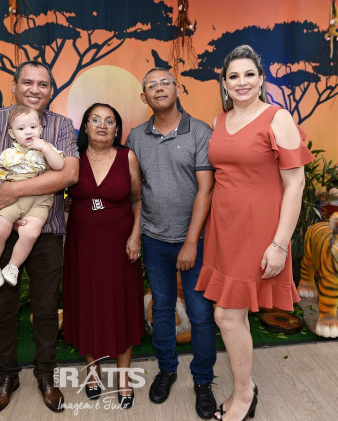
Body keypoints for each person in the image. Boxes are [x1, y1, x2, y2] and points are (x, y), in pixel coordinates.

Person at [195, 45, 315, 421]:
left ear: (261, 79)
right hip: (223, 230)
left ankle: (244, 395)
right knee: (234, 314)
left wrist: (280, 244)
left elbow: (295, 184)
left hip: (257, 232)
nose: (242, 82)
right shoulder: (219, 120)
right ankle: (245, 387)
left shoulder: (277, 118)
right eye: (233, 76)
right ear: (224, 83)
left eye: (249, 74)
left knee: (226, 317)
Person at [0, 60, 79, 414]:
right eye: (28, 82)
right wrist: (0, 209)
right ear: (14, 85)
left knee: (45, 309)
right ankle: (7, 376)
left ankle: (46, 376)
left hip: (46, 228)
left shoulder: (61, 125)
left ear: (51, 90)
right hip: (2, 229)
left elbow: (68, 175)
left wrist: (15, 193)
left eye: (43, 84)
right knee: (2, 307)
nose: (35, 89)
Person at [125, 67, 217, 419]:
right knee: (162, 308)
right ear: (144, 96)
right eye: (152, 85)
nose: (159, 88)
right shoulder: (136, 137)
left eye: (166, 83)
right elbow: (136, 192)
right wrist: (136, 233)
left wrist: (191, 242)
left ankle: (203, 380)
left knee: (200, 313)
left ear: (178, 89)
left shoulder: (200, 132)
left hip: (195, 240)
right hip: (154, 239)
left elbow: (206, 190)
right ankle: (166, 370)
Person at [62, 103, 144, 409]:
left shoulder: (127, 157)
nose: (102, 125)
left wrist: (135, 236)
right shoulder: (73, 158)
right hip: (82, 245)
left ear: (117, 130)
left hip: (120, 246)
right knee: (86, 304)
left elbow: (138, 199)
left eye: (109, 121)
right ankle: (93, 373)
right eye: (95, 119)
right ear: (84, 126)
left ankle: (124, 379)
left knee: (121, 305)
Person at [0, 104, 65, 288]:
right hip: (13, 197)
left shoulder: (47, 149)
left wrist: (45, 147)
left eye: (33, 127)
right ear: (12, 134)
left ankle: (12, 266)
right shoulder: (8, 154)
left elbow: (59, 165)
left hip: (41, 199)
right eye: (21, 129)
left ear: (40, 129)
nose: (28, 132)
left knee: (31, 233)